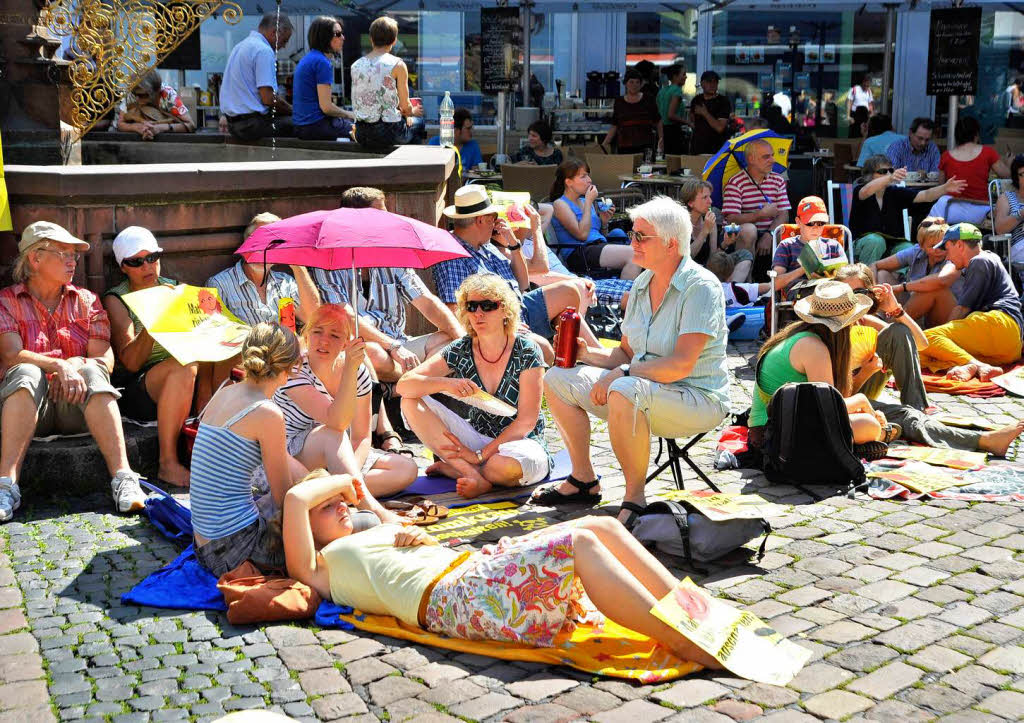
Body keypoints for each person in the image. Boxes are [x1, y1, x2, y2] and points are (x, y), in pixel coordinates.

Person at [281, 472, 722, 669]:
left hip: (472, 569)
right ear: (307, 528)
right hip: (454, 599)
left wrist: (426, 539)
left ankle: (689, 608)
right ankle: (680, 640)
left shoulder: (374, 530)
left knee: (600, 524)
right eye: (327, 506)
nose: (339, 504)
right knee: (581, 543)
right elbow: (294, 500)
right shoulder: (319, 567)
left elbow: (427, 549)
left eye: (340, 500)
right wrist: (343, 481)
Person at [539, 197, 730, 527]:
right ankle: (584, 479)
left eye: (641, 236)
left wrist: (622, 372)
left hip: (696, 398)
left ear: (671, 243)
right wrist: (585, 354)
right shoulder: (642, 283)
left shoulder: (701, 287)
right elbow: (625, 354)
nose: (631, 242)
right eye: (633, 234)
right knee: (557, 377)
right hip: (639, 391)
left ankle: (634, 497)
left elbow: (680, 366)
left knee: (625, 388)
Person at [749, 281, 1023, 456]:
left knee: (898, 416)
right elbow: (830, 407)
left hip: (791, 421)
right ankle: (983, 441)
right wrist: (864, 405)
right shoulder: (815, 347)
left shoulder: (804, 336)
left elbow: (830, 399)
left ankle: (970, 437)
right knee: (877, 421)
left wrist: (866, 376)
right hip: (780, 434)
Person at [0, 222, 146, 523]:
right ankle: (6, 486)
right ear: (34, 259)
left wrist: (76, 366)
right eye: (62, 253)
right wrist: (58, 365)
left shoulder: (87, 301)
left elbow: (104, 359)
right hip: (30, 408)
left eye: (74, 255)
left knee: (92, 370)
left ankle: (123, 478)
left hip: (77, 406)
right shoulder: (6, 301)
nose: (72, 261)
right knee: (25, 370)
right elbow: (10, 354)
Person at [398, 275, 549, 498]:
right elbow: (404, 385)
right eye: (471, 306)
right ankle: (472, 474)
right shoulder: (462, 347)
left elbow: (526, 421)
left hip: (521, 442)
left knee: (503, 468)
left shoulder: (526, 349)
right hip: (476, 436)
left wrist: (479, 455)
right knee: (410, 400)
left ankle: (459, 469)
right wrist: (446, 383)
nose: (478, 313)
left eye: (488, 305)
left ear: (506, 310)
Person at [313, 187, 463, 384]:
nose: (388, 221)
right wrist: (392, 347)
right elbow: (346, 316)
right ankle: (418, 383)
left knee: (449, 340)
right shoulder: (327, 263)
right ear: (355, 221)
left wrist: (464, 340)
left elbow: (427, 302)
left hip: (401, 344)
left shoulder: (393, 256)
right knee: (370, 353)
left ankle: (409, 383)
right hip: (365, 347)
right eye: (380, 216)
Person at [432, 185, 601, 355]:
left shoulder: (485, 245)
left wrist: (513, 245)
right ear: (481, 220)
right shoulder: (452, 255)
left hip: (519, 308)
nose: (496, 223)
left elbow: (522, 283)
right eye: (493, 217)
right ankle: (582, 357)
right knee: (544, 347)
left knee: (570, 292)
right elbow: (455, 311)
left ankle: (592, 354)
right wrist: (505, 326)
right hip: (497, 320)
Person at [189, 322, 303, 574]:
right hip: (234, 551)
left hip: (203, 544)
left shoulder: (225, 391)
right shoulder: (267, 413)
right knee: (331, 527)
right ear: (290, 369)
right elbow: (284, 497)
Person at [273, 304, 417, 498]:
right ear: (306, 336)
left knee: (406, 469)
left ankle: (333, 493)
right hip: (291, 456)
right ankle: (336, 493)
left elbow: (362, 437)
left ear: (345, 343)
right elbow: (336, 421)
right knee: (331, 434)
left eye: (334, 335)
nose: (324, 341)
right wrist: (350, 368)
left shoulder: (358, 371)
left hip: (338, 455)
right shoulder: (295, 370)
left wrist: (351, 477)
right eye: (317, 332)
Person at [102, 227, 197, 488]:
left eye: (152, 257)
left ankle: (209, 449)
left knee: (226, 357)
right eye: (136, 261)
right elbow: (131, 362)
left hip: (188, 378)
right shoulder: (117, 298)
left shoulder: (177, 289)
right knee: (184, 365)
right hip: (141, 387)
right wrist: (156, 320)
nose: (147, 266)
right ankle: (168, 463)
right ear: (123, 267)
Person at [919, 223, 1024, 382]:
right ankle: (970, 366)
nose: (947, 257)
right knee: (929, 354)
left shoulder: (979, 261)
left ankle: (978, 365)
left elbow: (961, 309)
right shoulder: (990, 257)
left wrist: (943, 332)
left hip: (1000, 324)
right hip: (1010, 346)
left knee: (926, 339)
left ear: (959, 244)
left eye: (947, 249)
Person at [833, 263, 929, 409]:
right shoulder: (831, 326)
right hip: (843, 400)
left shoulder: (864, 321)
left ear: (869, 294)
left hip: (865, 392)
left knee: (898, 330)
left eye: (858, 292)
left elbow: (921, 344)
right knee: (905, 417)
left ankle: (918, 406)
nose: (852, 299)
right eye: (846, 293)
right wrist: (865, 372)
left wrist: (896, 310)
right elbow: (836, 397)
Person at [207, 213, 321, 328]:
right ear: (245, 244)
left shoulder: (286, 282)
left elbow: (313, 318)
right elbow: (214, 332)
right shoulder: (220, 284)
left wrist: (297, 264)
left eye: (271, 243)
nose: (262, 250)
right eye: (257, 240)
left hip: (286, 345)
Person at [850, 155, 966, 266]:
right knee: (876, 241)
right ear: (869, 175)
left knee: (907, 248)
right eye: (883, 171)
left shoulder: (895, 192)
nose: (889, 173)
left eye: (890, 170)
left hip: (891, 244)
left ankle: (900, 281)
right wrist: (890, 177)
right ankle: (866, 278)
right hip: (862, 245)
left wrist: (944, 188)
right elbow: (866, 190)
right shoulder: (860, 191)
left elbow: (925, 195)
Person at [549, 159, 640, 279]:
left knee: (639, 249)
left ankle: (623, 291)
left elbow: (599, 235)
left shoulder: (585, 201)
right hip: (578, 252)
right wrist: (588, 201)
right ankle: (625, 296)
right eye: (583, 176)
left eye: (588, 175)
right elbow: (582, 235)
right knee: (634, 255)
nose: (589, 180)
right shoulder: (560, 204)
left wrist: (604, 221)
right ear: (569, 182)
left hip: (595, 248)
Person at [351, 16, 424, 150]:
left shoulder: (355, 66)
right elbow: (405, 106)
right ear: (394, 41)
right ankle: (412, 167)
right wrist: (412, 112)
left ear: (371, 39)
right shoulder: (397, 64)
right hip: (388, 132)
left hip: (361, 133)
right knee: (419, 124)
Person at [220, 13, 294, 142]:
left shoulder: (240, 46)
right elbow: (268, 99)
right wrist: (292, 110)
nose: (284, 46)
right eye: (284, 41)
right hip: (251, 126)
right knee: (302, 125)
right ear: (275, 33)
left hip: (234, 125)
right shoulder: (264, 51)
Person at [722, 138, 791, 273]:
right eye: (766, 157)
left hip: (769, 232)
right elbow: (731, 219)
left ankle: (780, 284)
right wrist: (760, 215)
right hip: (740, 237)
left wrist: (769, 234)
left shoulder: (777, 180)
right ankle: (746, 281)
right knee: (749, 230)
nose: (772, 160)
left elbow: (784, 213)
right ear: (751, 159)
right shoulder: (735, 182)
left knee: (788, 232)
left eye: (772, 155)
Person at [929, 117, 1012, 226]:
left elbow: (941, 186)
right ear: (976, 134)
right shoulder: (988, 153)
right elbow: (1007, 175)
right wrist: (1010, 162)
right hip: (979, 212)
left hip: (951, 210)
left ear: (957, 135)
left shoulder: (946, 156)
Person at [292, 17, 355, 141]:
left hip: (302, 127)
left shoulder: (309, 58)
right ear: (324, 37)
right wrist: (351, 114)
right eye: (338, 34)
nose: (343, 37)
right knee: (361, 130)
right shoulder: (322, 62)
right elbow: (326, 107)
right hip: (316, 126)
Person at [770, 196, 846, 298]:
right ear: (798, 222)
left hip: (831, 290)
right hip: (802, 293)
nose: (816, 228)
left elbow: (847, 278)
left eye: (820, 223)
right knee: (817, 293)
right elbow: (775, 283)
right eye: (810, 223)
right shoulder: (787, 245)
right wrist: (804, 269)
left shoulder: (833, 245)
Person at [114, 69, 195, 139]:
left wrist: (160, 128)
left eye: (143, 95)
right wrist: (137, 127)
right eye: (136, 95)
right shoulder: (132, 93)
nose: (138, 99)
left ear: (158, 90)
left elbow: (190, 125)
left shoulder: (168, 94)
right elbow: (120, 124)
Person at [602, 68, 662, 157]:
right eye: (631, 82)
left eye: (637, 82)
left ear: (641, 84)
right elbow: (615, 125)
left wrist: (661, 140)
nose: (634, 85)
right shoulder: (619, 102)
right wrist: (604, 145)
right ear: (625, 84)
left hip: (645, 146)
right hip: (624, 147)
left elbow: (658, 121)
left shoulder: (649, 99)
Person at [689, 71, 732, 155]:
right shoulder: (696, 100)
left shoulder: (723, 101)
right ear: (702, 84)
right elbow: (692, 121)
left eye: (715, 82)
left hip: (716, 150)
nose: (713, 85)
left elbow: (719, 128)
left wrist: (705, 113)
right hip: (697, 149)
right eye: (709, 81)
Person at [992, 153, 1024, 265]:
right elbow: (1000, 229)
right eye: (1022, 174)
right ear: (1016, 177)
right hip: (1020, 246)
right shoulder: (1007, 198)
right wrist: (1021, 213)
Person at [656, 63, 688, 156]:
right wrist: (688, 123)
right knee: (675, 163)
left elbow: (659, 116)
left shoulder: (662, 91)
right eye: (683, 74)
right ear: (675, 76)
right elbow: (671, 115)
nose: (686, 77)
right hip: (673, 132)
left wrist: (661, 136)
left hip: (662, 131)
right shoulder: (677, 90)